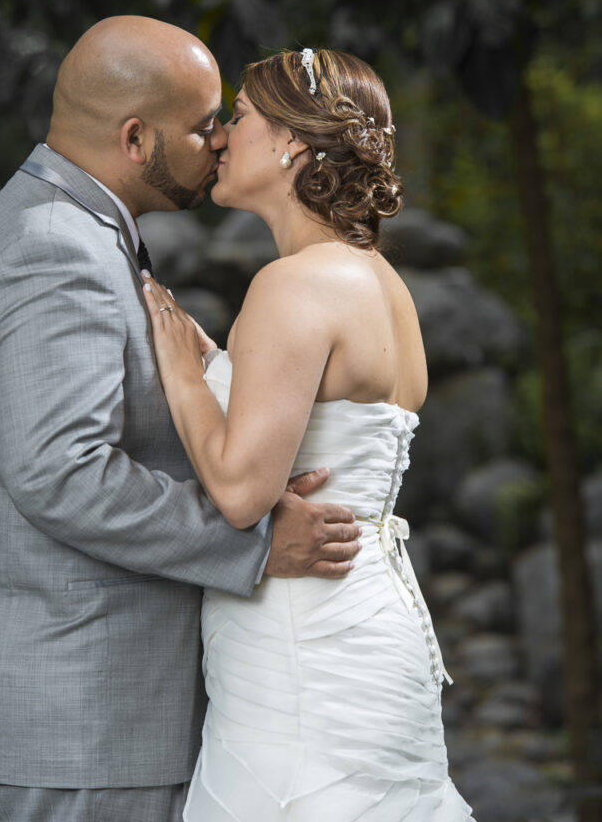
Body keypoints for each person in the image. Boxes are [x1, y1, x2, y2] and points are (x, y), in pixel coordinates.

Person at [0, 18, 362, 822]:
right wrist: (254, 537)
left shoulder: (77, 229)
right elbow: (62, 476)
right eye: (204, 124)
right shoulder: (54, 248)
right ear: (135, 139)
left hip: (102, 719)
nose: (218, 142)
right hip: (84, 722)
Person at [141, 47, 476, 820]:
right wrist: (224, 363)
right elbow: (315, 419)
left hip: (303, 644)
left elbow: (239, 492)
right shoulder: (379, 282)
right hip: (365, 622)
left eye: (240, 117)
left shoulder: (291, 284)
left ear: (292, 140)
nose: (221, 136)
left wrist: (185, 376)